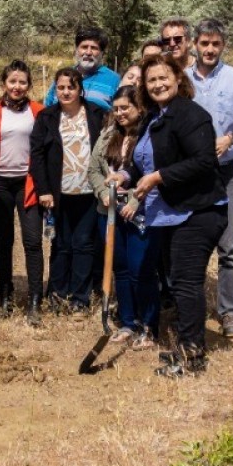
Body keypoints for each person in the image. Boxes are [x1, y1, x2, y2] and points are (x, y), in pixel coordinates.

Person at [126, 54, 225, 377]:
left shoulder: (189, 114)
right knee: (178, 281)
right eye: (151, 80)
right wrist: (127, 177)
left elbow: (204, 161)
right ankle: (185, 345)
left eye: (163, 77)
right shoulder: (156, 115)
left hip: (198, 211)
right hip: (172, 212)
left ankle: (192, 355)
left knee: (185, 283)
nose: (157, 84)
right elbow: (146, 159)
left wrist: (158, 178)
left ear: (178, 78)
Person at [186, 18, 233, 337]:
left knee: (228, 246)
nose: (210, 49)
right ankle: (189, 306)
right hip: (188, 175)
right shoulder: (182, 80)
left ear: (223, 45)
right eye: (204, 43)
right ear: (195, 44)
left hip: (225, 172)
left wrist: (230, 138)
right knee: (188, 244)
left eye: (216, 43)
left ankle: (229, 311)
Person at [31, 68, 106, 310]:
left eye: (70, 87)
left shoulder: (96, 114)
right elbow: (37, 155)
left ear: (79, 89)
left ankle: (80, 299)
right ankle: (57, 293)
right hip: (58, 193)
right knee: (60, 244)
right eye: (61, 87)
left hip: (88, 192)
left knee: (84, 244)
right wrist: (43, 189)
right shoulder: (47, 117)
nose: (65, 92)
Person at [0, 60, 44, 322]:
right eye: (12, 81)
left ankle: (34, 300)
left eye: (22, 82)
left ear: (29, 84)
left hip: (27, 183)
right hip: (1, 184)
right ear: (4, 84)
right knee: (4, 242)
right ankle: (5, 297)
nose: (17, 87)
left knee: (32, 242)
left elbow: (44, 150)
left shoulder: (38, 112)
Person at [92, 84, 147, 340]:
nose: (120, 113)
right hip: (109, 212)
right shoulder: (107, 135)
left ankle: (146, 323)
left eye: (125, 108)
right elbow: (93, 170)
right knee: (120, 268)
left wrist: (134, 202)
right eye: (116, 109)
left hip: (138, 213)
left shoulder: (148, 135)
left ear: (139, 108)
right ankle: (127, 322)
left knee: (140, 269)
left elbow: (150, 173)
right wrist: (103, 194)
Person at [44, 27, 122, 110]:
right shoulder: (63, 77)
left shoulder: (114, 80)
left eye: (94, 48)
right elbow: (47, 108)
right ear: (77, 49)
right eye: (84, 47)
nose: (88, 52)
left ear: (102, 53)